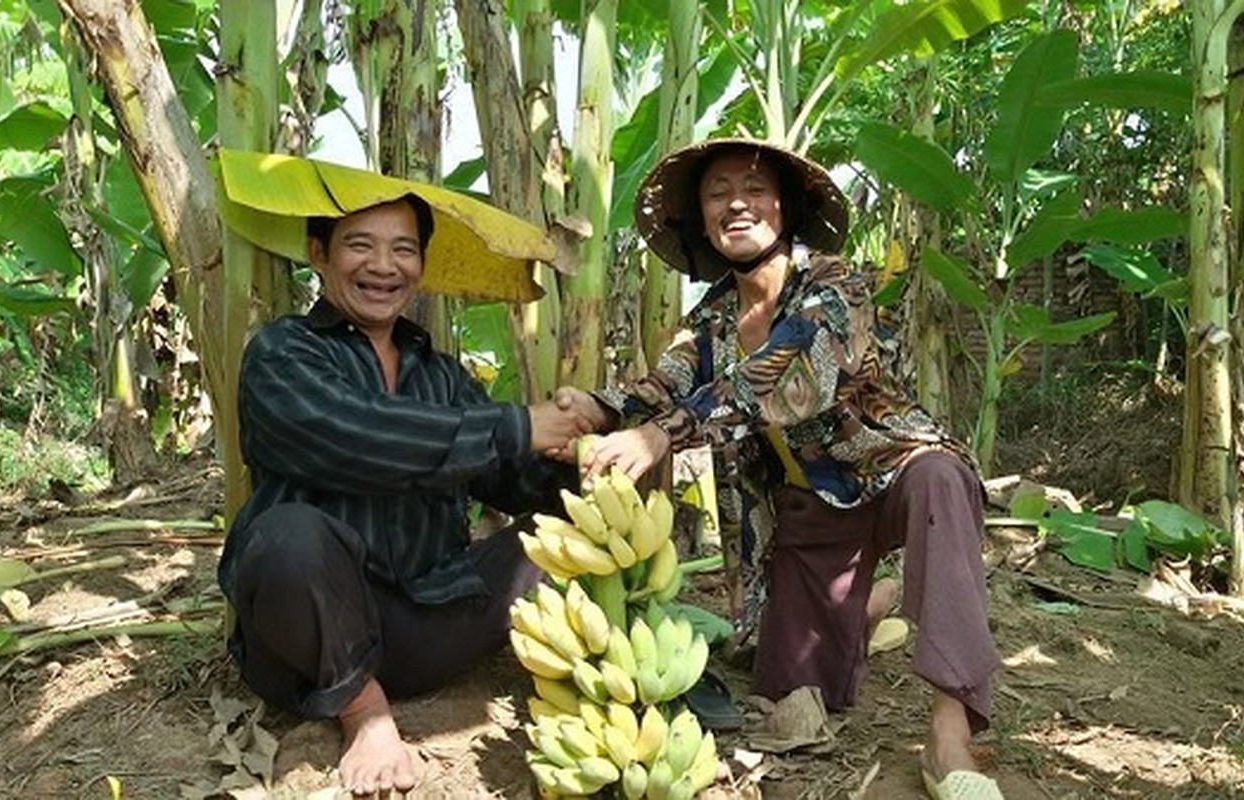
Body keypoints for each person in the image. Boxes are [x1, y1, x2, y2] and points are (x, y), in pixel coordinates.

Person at [580, 139, 1003, 800]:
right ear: (700, 217)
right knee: (792, 689)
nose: (736, 204)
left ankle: (950, 732)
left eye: (753, 188)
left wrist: (661, 438)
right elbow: (660, 389)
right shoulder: (711, 320)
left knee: (941, 478)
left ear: (786, 206)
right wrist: (590, 408)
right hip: (808, 511)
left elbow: (778, 379)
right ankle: (865, 604)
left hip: (889, 473)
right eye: (717, 193)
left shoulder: (834, 286)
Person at [217, 195, 607, 797]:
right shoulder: (282, 353)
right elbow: (355, 436)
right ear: (318, 254)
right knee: (287, 538)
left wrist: (591, 445)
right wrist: (520, 426)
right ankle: (364, 713)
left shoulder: (441, 375)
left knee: (569, 524)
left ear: (421, 264)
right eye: (360, 245)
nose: (384, 265)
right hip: (309, 637)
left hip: (430, 621)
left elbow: (510, 478)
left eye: (403, 249)